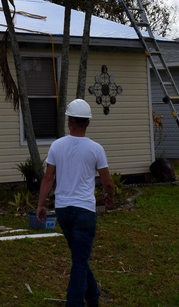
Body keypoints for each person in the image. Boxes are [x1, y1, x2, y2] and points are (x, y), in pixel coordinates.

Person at [36, 98, 115, 307]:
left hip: (63, 211)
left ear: (69, 121)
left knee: (79, 258)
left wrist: (40, 204)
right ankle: (75, 302)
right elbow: (108, 183)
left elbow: (48, 178)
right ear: (87, 122)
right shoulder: (96, 149)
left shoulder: (56, 145)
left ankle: (93, 296)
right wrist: (110, 198)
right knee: (79, 261)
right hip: (85, 213)